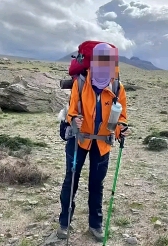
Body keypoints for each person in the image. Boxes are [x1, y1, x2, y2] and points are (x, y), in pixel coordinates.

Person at [56, 43, 130, 242]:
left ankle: (95, 225)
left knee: (97, 184)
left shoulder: (116, 87)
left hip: (103, 142)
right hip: (78, 139)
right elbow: (72, 111)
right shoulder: (80, 84)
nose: (103, 66)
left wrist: (122, 127)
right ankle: (64, 222)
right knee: (71, 181)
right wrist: (74, 120)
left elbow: (122, 115)